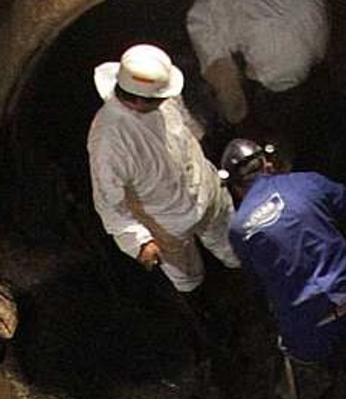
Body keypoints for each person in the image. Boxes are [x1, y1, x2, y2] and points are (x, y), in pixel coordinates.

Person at [221, 137, 346, 399]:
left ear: (234, 189)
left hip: (308, 326)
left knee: (314, 397)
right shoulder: (307, 182)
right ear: (269, 165)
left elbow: (260, 278)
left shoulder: (239, 229)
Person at [86, 44, 238, 294]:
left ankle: (240, 270)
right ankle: (206, 297)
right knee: (188, 277)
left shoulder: (160, 98)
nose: (166, 99)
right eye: (159, 98)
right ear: (136, 100)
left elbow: (186, 126)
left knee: (233, 245)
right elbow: (109, 202)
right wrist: (139, 241)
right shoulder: (109, 142)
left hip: (206, 189)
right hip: (167, 223)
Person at [185, 0, 330, 128]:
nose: (249, 73)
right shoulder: (218, 14)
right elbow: (203, 27)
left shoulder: (314, 41)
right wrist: (228, 90)